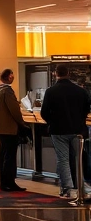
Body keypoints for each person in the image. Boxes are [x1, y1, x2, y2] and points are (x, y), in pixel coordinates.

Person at [39, 65, 91, 198]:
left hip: (59, 130)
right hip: (78, 130)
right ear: (69, 73)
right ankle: (81, 185)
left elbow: (44, 112)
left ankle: (67, 188)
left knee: (63, 159)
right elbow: (86, 109)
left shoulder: (51, 91)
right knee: (78, 158)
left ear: (56, 74)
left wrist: (52, 122)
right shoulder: (80, 91)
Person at [0, 68, 28, 192]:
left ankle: (3, 181)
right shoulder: (7, 91)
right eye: (12, 76)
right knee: (10, 156)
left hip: (0, 127)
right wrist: (22, 124)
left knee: (3, 154)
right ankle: (9, 182)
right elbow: (14, 110)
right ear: (9, 77)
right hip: (9, 127)